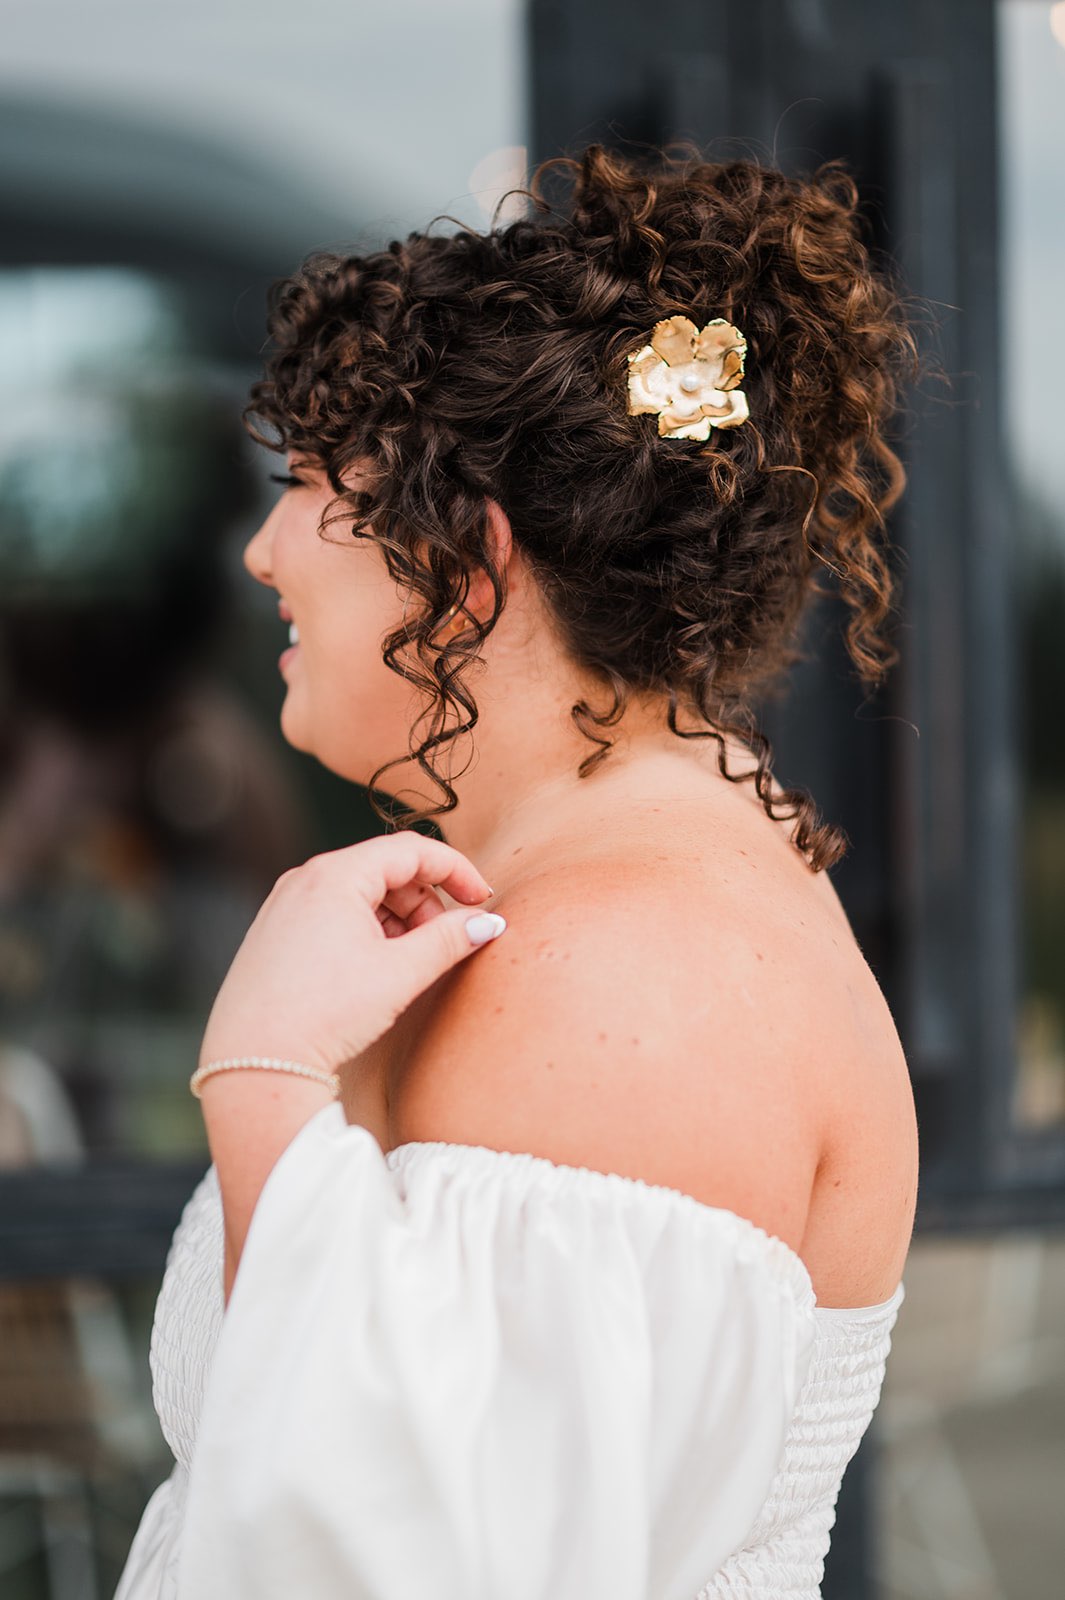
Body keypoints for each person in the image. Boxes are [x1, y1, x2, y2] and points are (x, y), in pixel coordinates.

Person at [114, 142, 921, 1600]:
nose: (260, 550)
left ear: (462, 563)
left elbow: (402, 1564)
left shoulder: (619, 976)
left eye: (307, 485)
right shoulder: (625, 898)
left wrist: (262, 1078)